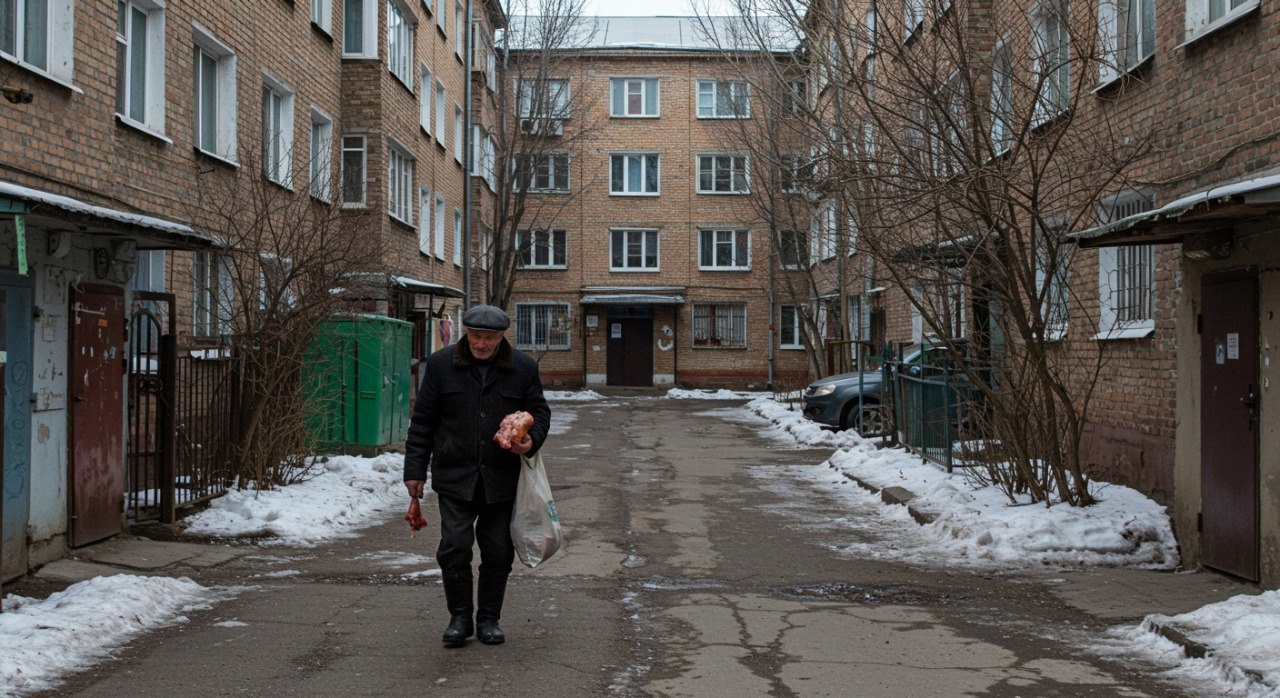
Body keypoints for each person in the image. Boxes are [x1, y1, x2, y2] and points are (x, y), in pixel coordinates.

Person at [404, 304, 551, 648]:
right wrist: (414, 470)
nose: (481, 344)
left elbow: (539, 411)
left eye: (489, 338)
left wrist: (531, 440)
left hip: (501, 478)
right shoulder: (442, 365)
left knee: (498, 550)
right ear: (465, 332)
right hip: (455, 473)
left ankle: (488, 619)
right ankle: (459, 618)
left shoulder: (523, 368)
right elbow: (423, 420)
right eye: (475, 336)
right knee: (454, 546)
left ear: (502, 337)